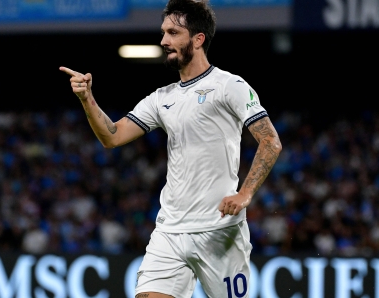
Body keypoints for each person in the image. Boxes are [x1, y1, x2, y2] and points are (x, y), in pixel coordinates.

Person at [60, 0, 282, 297]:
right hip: (171, 231)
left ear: (198, 39)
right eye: (163, 32)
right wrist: (87, 99)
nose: (164, 40)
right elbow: (111, 136)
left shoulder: (231, 86)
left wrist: (245, 193)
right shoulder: (161, 98)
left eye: (173, 33)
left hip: (219, 232)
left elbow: (270, 140)